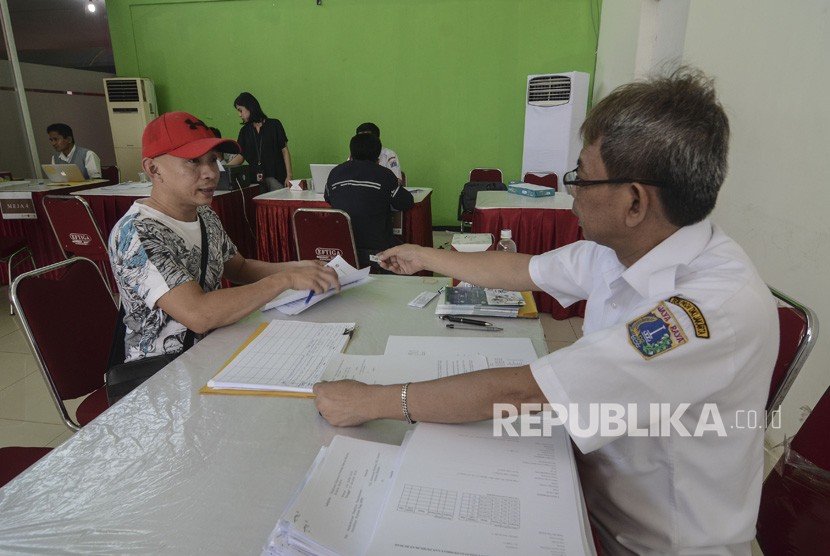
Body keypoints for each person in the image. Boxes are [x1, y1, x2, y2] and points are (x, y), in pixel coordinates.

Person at [314, 68, 779, 554]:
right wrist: (426, 254)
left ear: (635, 201)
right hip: (586, 490)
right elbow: (525, 269)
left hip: (650, 542)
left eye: (581, 177)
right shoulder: (631, 245)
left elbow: (524, 390)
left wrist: (369, 402)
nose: (572, 189)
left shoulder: (703, 314)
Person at [108, 111, 339, 363]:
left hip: (215, 347)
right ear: (153, 169)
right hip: (165, 370)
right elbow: (198, 314)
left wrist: (298, 267)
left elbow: (238, 267)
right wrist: (286, 279)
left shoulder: (204, 214)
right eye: (193, 161)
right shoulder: (137, 234)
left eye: (213, 160)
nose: (210, 173)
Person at [325, 133, 414, 270]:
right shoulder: (384, 175)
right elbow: (405, 202)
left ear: (351, 153)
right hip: (378, 248)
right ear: (378, 157)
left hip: (342, 246)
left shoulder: (335, 172)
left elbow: (328, 198)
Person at [227, 92, 292, 191]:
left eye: (240, 110)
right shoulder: (244, 131)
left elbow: (285, 151)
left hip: (277, 178)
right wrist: (224, 169)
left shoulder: (274, 125)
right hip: (254, 182)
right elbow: (241, 156)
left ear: (250, 107)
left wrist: (289, 175)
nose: (239, 115)